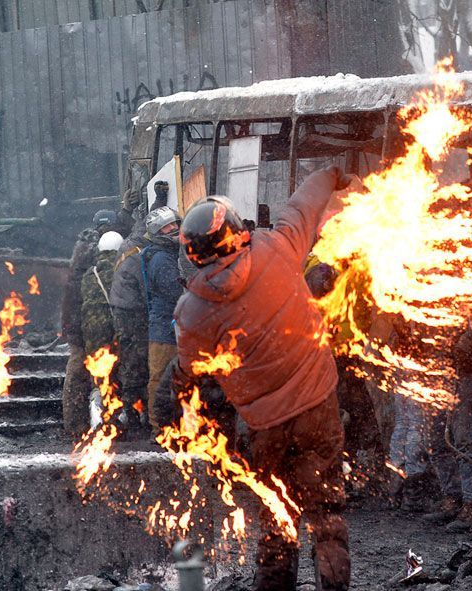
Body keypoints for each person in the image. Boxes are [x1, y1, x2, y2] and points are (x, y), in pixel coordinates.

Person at [172, 169, 351, 591]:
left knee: (276, 519)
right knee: (327, 518)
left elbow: (189, 373)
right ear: (236, 231)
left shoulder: (192, 311)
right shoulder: (276, 248)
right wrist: (330, 175)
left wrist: (179, 409)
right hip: (318, 408)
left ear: (195, 254)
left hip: (265, 426)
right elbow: (301, 207)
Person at [423, 325, 472, 532]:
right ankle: (453, 497)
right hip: (436, 375)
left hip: (465, 376)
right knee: (435, 440)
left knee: (464, 440)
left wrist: (468, 342)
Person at [61, 209, 120, 437]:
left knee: (80, 375)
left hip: (85, 323)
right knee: (85, 374)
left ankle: (78, 425)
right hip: (94, 325)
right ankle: (82, 425)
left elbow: (70, 294)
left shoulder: (83, 253)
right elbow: (74, 295)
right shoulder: (94, 254)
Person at [141, 206, 183, 433]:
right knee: (159, 378)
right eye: (168, 226)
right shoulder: (161, 259)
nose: (174, 228)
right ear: (159, 231)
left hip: (168, 326)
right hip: (164, 329)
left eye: (175, 223)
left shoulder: (168, 255)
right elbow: (174, 292)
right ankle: (158, 426)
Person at [109, 223, 150, 435]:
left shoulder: (128, 249)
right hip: (133, 316)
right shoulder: (137, 256)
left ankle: (131, 413)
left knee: (129, 362)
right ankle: (132, 415)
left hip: (124, 315)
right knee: (135, 364)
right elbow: (147, 290)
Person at [80, 231, 123, 355]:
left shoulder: (90, 272)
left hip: (91, 325)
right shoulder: (121, 269)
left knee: (95, 364)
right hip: (112, 325)